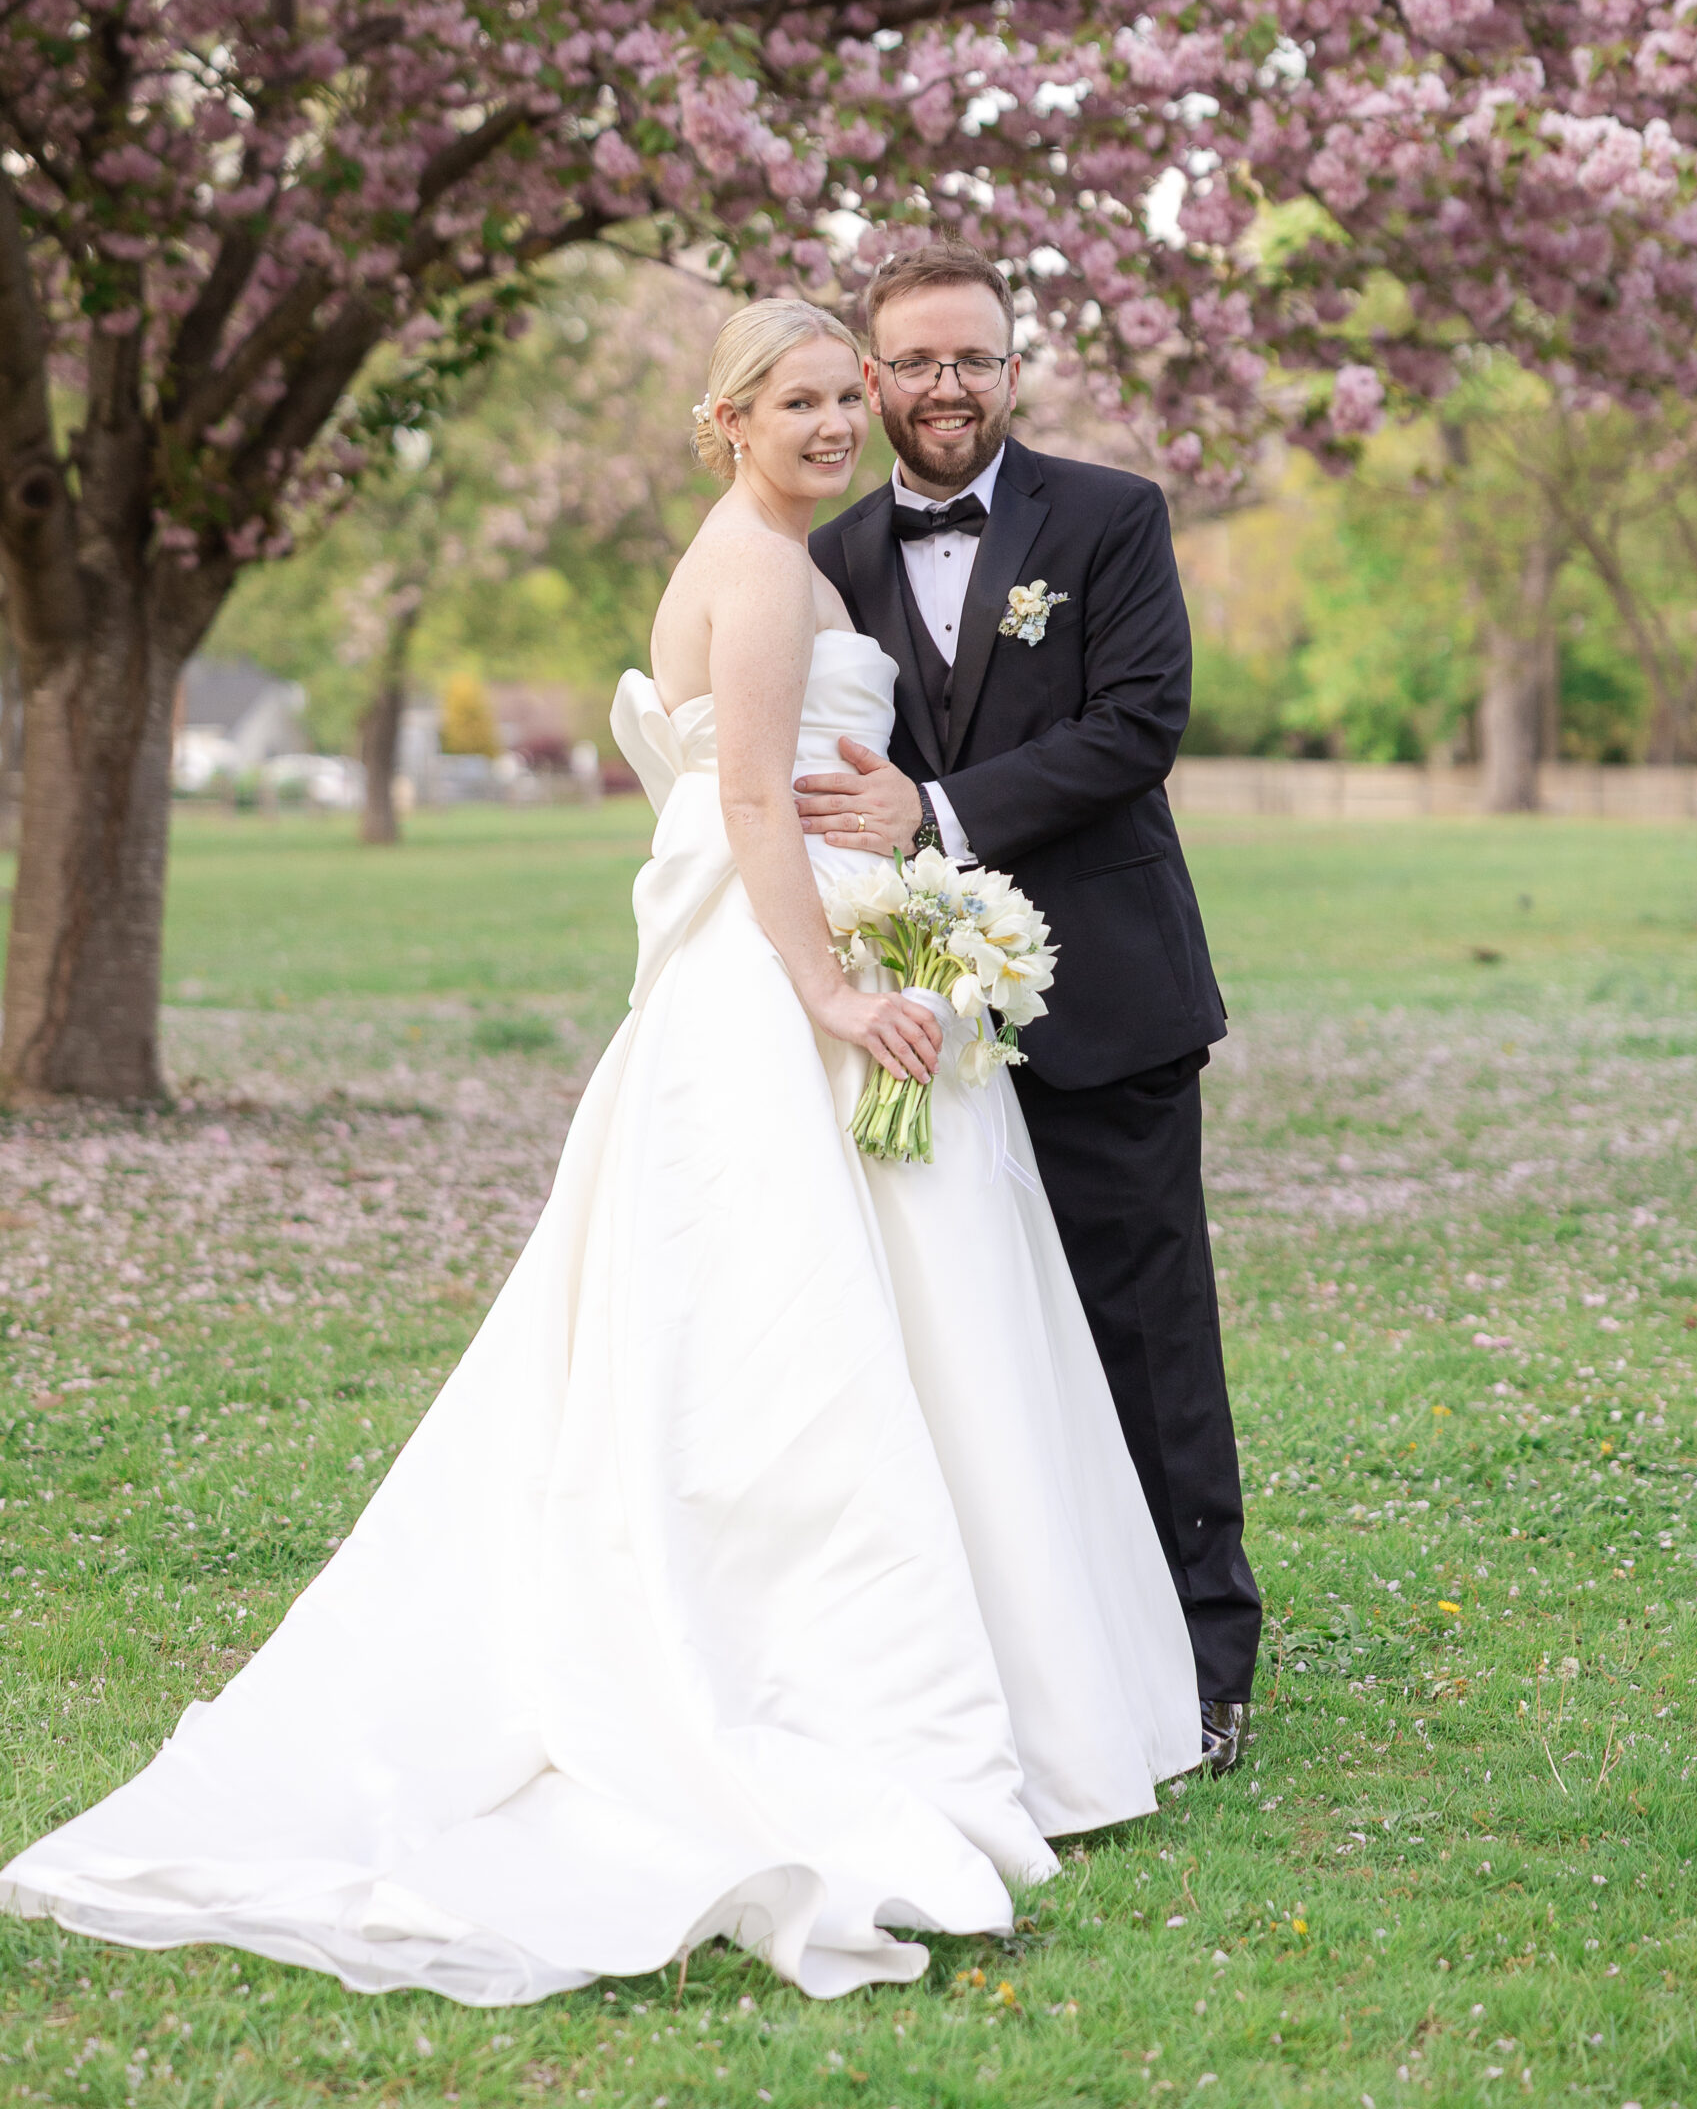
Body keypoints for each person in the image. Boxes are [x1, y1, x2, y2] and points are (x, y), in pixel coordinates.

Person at [0, 298, 1200, 2006]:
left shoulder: (757, 555)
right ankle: (834, 1671)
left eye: (832, 400)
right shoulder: (774, 569)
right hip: (786, 981)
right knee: (818, 1342)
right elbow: (753, 805)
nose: (829, 429)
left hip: (790, 960)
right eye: (791, 404)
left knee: (856, 1329)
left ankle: (962, 1659)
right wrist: (836, 993)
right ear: (725, 424)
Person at [802, 245, 1262, 1771]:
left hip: (1106, 997)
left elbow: (1140, 725)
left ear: (1014, 367)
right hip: (922, 1024)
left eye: (973, 360)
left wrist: (934, 812)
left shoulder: (1113, 518)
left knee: (1144, 1330)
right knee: (971, 1348)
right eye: (916, 363)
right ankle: (1023, 1651)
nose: (946, 388)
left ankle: (1204, 1658)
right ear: (871, 379)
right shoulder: (830, 554)